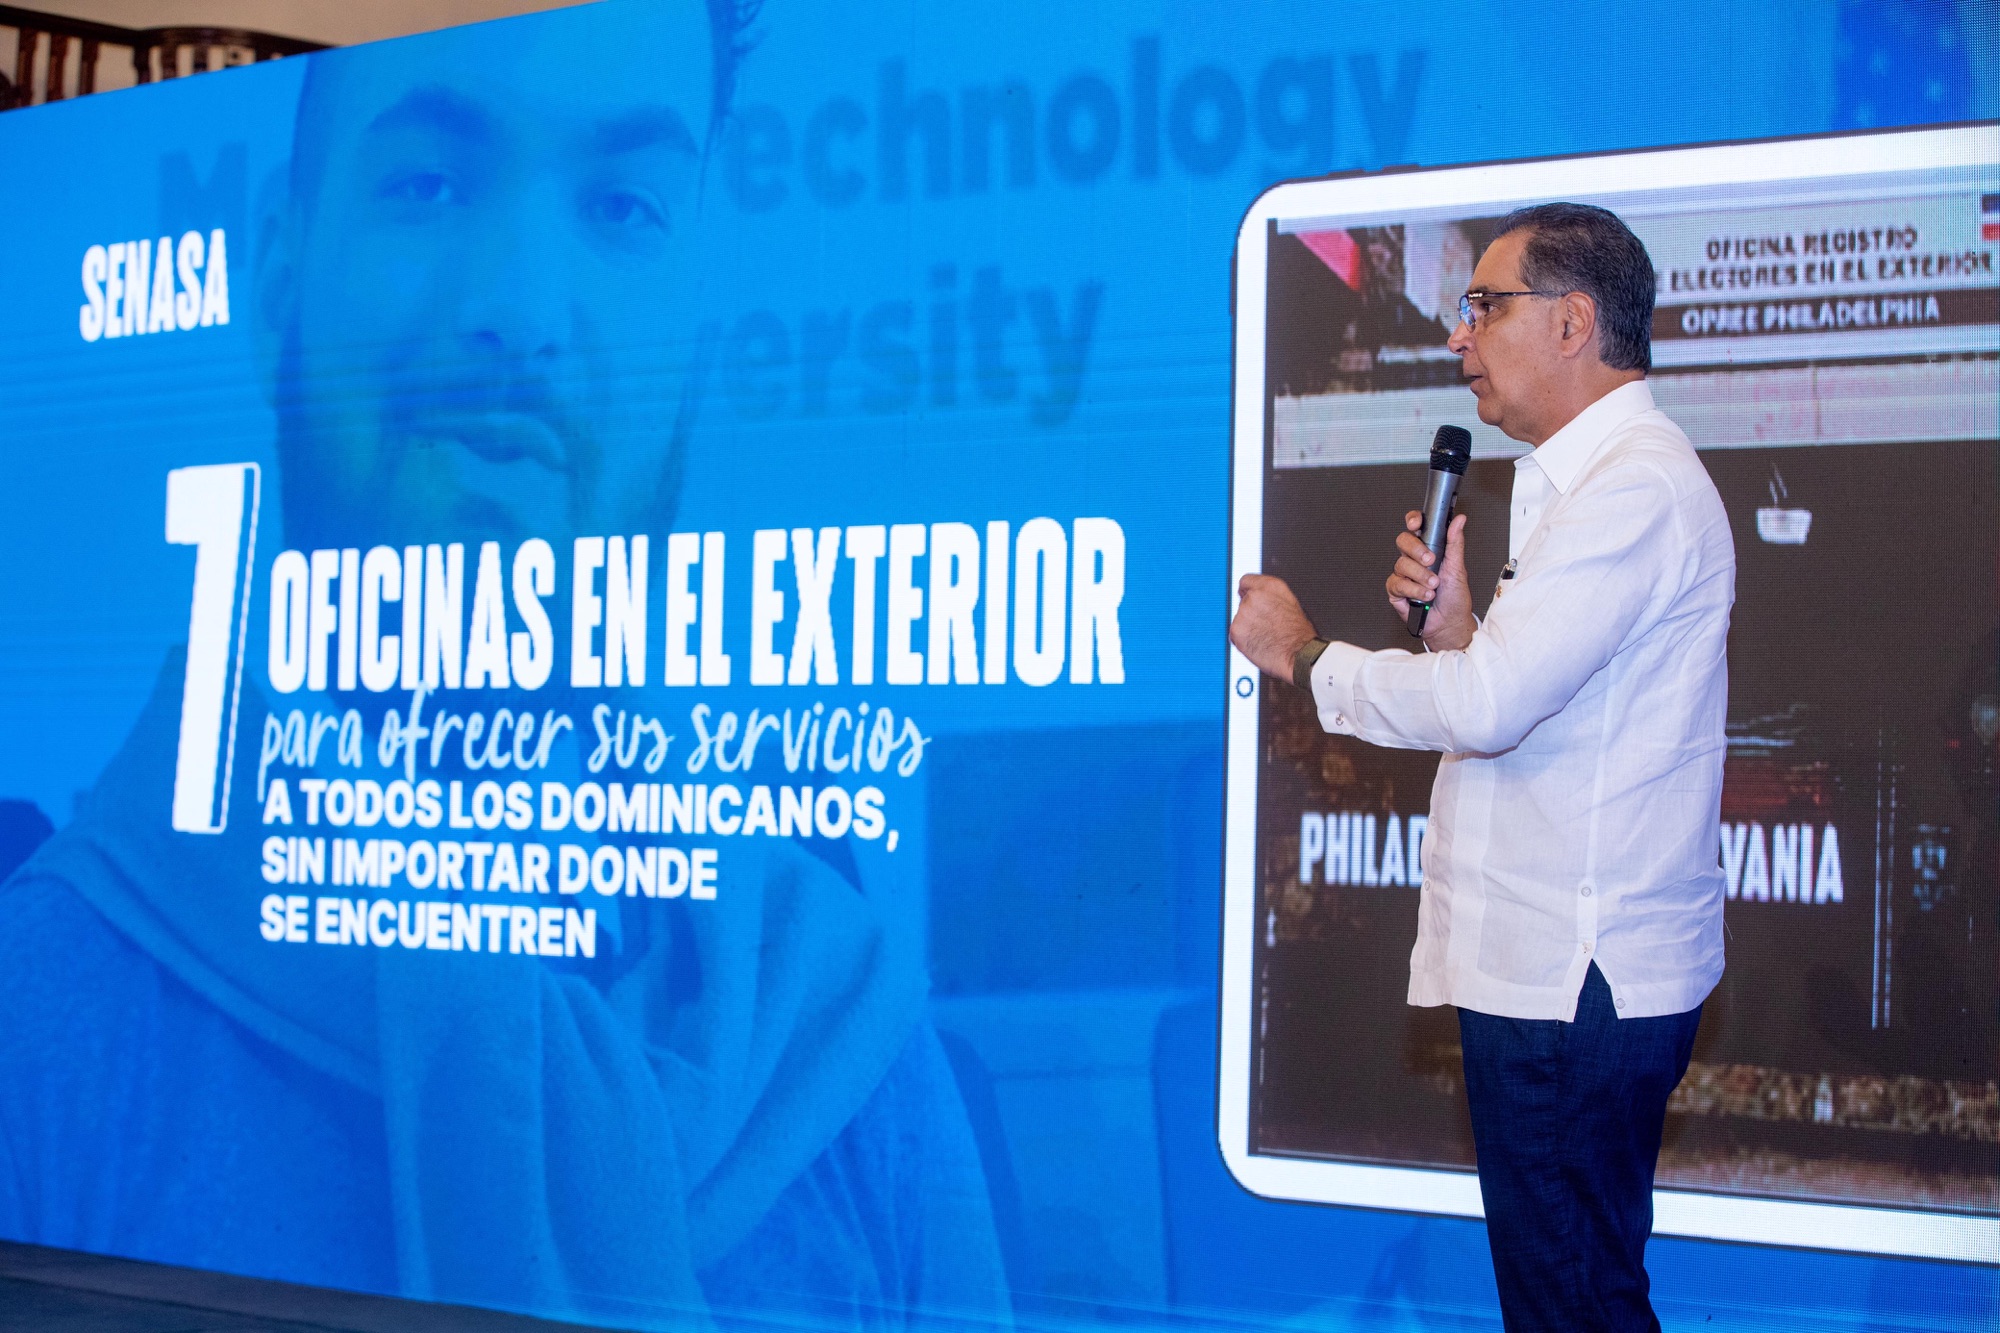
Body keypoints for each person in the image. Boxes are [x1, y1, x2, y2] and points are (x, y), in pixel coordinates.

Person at [0, 6, 1010, 1330]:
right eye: (428, 184)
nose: (522, 311)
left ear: (695, 335)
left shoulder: (852, 1054)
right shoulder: (40, 1026)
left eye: (625, 207)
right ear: (279, 278)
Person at [1230, 202, 1734, 1332]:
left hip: (1571, 974)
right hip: (1557, 966)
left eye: (1484, 307)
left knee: (1572, 1303)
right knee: (1577, 1294)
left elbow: (1490, 708)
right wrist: (1456, 632)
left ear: (1571, 322)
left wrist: (1303, 654)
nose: (1459, 336)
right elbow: (1536, 707)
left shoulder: (1631, 490)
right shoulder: (1591, 487)